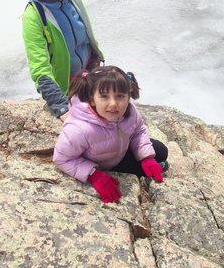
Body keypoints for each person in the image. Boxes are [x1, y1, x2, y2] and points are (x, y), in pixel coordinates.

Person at [53, 66, 169, 203]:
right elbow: (62, 158)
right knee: (146, 168)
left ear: (128, 96)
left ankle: (149, 161)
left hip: (120, 149)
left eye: (120, 96)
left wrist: (146, 157)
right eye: (104, 96)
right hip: (102, 163)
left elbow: (138, 131)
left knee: (161, 151)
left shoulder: (130, 112)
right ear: (91, 99)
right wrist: (93, 174)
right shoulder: (79, 129)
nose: (113, 104)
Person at [22, 0, 104, 122]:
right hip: (64, 85)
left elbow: (85, 30)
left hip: (87, 72)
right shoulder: (34, 15)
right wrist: (60, 105)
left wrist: (95, 55)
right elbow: (39, 66)